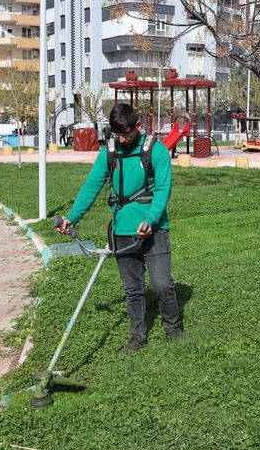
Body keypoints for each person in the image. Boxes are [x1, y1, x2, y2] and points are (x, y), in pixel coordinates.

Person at [56, 104, 184, 353]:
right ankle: (137, 337)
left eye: (126, 134)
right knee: (133, 289)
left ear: (138, 126)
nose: (123, 139)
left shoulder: (155, 151)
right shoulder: (110, 153)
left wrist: (151, 219)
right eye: (117, 135)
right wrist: (72, 217)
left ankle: (173, 329)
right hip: (122, 232)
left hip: (154, 230)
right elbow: (91, 187)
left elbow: (162, 190)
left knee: (162, 285)